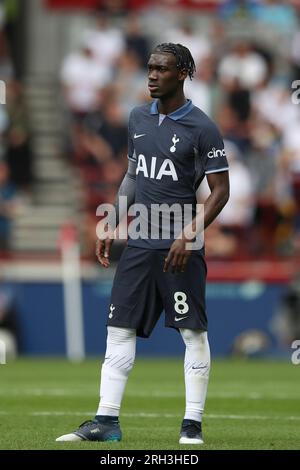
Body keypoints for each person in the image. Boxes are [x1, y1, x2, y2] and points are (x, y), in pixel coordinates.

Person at [56, 43, 229, 445]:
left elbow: (220, 192)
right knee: (118, 329)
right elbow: (133, 176)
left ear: (184, 72)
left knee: (192, 334)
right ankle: (106, 421)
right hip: (139, 244)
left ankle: (192, 425)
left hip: (179, 248)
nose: (151, 75)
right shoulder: (137, 118)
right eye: (150, 68)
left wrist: (189, 235)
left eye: (162, 69)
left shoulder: (202, 128)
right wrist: (112, 222)